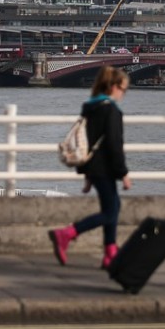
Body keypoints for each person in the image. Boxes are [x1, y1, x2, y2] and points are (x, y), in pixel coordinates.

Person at [48, 66, 132, 269]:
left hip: (93, 168)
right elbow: (113, 144)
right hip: (105, 169)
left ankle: (110, 252)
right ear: (113, 87)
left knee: (112, 207)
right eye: (123, 89)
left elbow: (87, 143)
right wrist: (124, 173)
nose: (124, 94)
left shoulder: (90, 107)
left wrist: (87, 176)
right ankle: (67, 234)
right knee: (111, 212)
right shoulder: (111, 110)